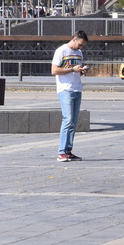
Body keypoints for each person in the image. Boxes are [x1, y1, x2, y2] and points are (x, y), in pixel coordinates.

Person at [51, 30, 89, 162]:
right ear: (74, 39)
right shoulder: (61, 51)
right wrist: (73, 69)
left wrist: (81, 71)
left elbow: (76, 71)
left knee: (73, 121)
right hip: (65, 89)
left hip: (77, 88)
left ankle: (68, 150)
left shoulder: (79, 53)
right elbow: (54, 70)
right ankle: (61, 152)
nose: (81, 48)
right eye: (80, 44)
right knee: (68, 119)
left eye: (83, 46)